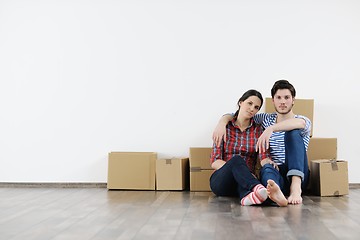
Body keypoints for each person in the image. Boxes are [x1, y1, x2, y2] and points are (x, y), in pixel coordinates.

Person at [212, 80, 311, 206]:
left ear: (293, 100)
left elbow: (300, 124)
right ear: (273, 101)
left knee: (293, 133)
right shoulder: (264, 119)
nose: (283, 101)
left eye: (287, 97)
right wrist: (222, 122)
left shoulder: (302, 120)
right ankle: (275, 194)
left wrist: (272, 128)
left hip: (298, 173)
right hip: (276, 173)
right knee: (267, 168)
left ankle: (295, 189)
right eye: (278, 97)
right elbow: (239, 115)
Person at [210, 89, 274, 206]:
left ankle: (247, 198)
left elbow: (264, 157)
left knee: (243, 182)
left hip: (245, 181)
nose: (252, 109)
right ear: (241, 102)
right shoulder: (225, 128)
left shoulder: (258, 130)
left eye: (256, 107)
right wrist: (239, 171)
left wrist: (269, 163)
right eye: (250, 103)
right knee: (237, 160)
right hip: (221, 181)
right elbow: (215, 161)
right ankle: (256, 187)